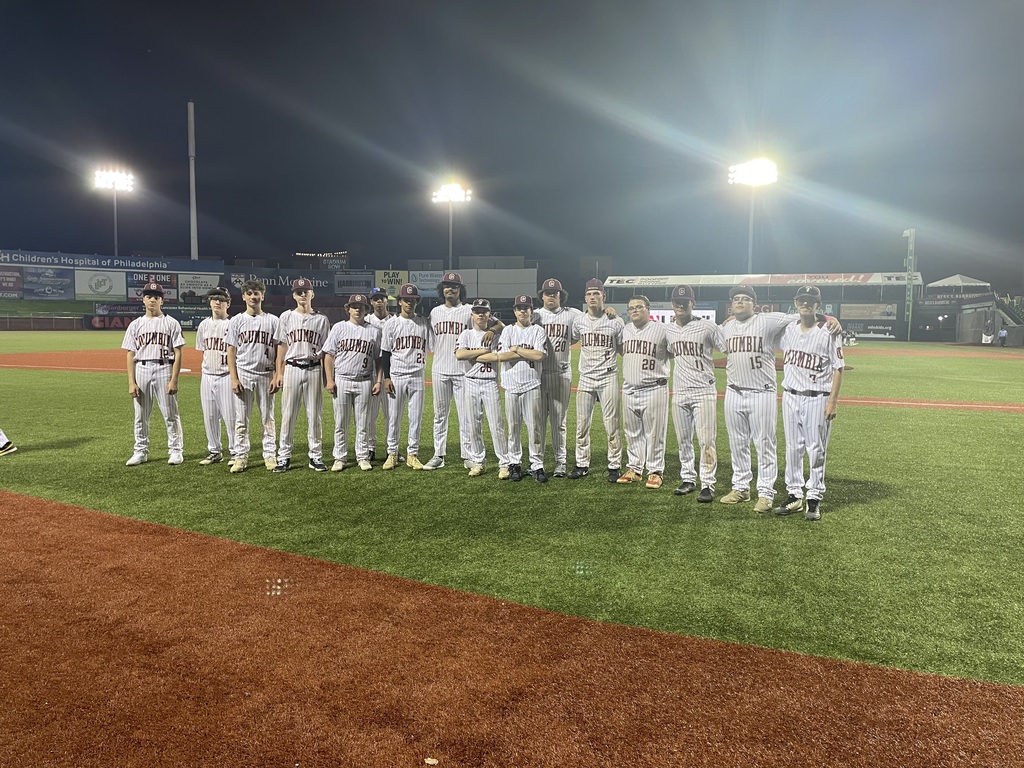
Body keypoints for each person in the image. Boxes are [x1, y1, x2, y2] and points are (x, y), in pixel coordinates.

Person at [721, 284, 839, 512]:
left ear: (754, 304)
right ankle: (741, 487)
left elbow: (805, 313)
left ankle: (766, 493)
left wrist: (829, 317)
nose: (740, 302)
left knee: (765, 443)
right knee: (737, 443)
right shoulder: (725, 328)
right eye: (736, 298)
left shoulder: (768, 320)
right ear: (731, 304)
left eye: (746, 298)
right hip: (733, 391)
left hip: (761, 392)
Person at [776, 286, 845, 521]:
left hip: (818, 397)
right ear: (796, 302)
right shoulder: (788, 329)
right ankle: (794, 494)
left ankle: (814, 497)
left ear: (818, 305)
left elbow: (838, 368)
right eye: (802, 300)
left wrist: (832, 403)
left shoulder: (829, 330)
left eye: (810, 301)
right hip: (790, 395)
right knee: (793, 448)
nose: (805, 304)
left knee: (816, 449)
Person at [665, 284, 726, 502]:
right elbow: (670, 353)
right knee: (683, 440)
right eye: (677, 302)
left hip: (703, 391)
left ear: (693, 303)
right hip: (680, 392)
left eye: (685, 301)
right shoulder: (669, 329)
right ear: (672, 304)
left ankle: (708, 483)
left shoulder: (708, 326)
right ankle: (688, 478)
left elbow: (728, 347)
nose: (680, 305)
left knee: (706, 440)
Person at [481, 294, 548, 482]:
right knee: (513, 427)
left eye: (526, 308)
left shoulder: (538, 330)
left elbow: (539, 356)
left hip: (532, 383)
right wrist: (525, 353)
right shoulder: (508, 330)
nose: (523, 311)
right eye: (519, 308)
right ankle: (514, 463)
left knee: (535, 427)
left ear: (531, 311)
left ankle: (537, 465)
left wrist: (517, 350)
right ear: (515, 311)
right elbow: (502, 356)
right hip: (511, 384)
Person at [121, 282, 185, 466]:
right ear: (143, 300)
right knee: (140, 414)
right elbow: (130, 354)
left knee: (171, 413)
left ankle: (176, 451)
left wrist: (174, 379)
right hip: (141, 368)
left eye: (156, 297)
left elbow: (178, 352)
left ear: (162, 301)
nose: (152, 300)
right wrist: (131, 382)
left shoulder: (171, 323)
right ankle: (140, 451)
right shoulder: (135, 325)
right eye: (149, 296)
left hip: (164, 367)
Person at [226, 280, 286, 473]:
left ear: (263, 296)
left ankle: (269, 455)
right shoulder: (236, 320)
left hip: (266, 374)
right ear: (243, 296)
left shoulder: (273, 320)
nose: (253, 296)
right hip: (244, 373)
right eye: (249, 293)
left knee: (267, 418)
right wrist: (234, 378)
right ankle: (240, 456)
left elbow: (280, 349)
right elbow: (231, 351)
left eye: (257, 293)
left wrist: (278, 374)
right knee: (241, 419)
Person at [274, 277, 331, 473]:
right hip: (291, 368)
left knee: (315, 415)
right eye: (299, 292)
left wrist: (326, 377)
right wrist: (278, 373)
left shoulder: (322, 319)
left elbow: (325, 351)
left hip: (314, 367)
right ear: (293, 295)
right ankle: (284, 456)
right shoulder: (286, 317)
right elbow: (281, 347)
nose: (303, 294)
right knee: (288, 415)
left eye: (306, 291)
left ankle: (315, 456)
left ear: (312, 294)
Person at [570, 278, 624, 482]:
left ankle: (614, 465)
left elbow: (621, 348)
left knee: (612, 424)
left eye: (597, 293)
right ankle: (582, 464)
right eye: (589, 294)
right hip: (585, 378)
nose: (593, 297)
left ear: (604, 296)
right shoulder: (579, 320)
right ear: (585, 298)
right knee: (582, 424)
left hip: (608, 376)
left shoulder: (615, 321)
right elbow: (574, 338)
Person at [324, 293, 383, 472]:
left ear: (366, 310)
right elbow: (328, 355)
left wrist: (379, 381)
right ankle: (339, 457)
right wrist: (329, 379)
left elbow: (379, 359)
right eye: (354, 306)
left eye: (361, 307)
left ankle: (362, 456)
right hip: (342, 379)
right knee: (341, 422)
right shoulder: (339, 328)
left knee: (363, 422)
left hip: (365, 380)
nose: (358, 309)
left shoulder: (374, 330)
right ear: (348, 308)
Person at [616, 295, 670, 488]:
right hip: (630, 388)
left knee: (655, 433)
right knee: (632, 432)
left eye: (639, 307)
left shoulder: (662, 330)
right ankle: (635, 469)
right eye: (631, 308)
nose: (635, 310)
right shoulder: (626, 330)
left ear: (648, 309)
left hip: (654, 387)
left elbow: (673, 351)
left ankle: (655, 471)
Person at [455, 298, 512, 478]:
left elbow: (498, 357)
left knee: (497, 425)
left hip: (489, 381)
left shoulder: (497, 334)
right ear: (471, 314)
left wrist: (493, 331)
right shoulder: (466, 334)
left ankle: (504, 462)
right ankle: (478, 460)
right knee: (473, 425)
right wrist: (483, 352)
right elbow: (460, 354)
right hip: (470, 381)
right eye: (477, 311)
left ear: (490, 314)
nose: (480, 314)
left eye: (484, 311)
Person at [379, 283, 432, 471]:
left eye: (413, 300)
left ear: (416, 302)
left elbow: (433, 346)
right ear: (400, 301)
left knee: (415, 418)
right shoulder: (391, 324)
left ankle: (412, 454)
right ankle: (392, 453)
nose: (409, 303)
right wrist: (386, 377)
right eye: (406, 300)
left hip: (417, 375)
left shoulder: (424, 323)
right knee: (394, 417)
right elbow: (385, 353)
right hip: (397, 375)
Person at [534, 278, 583, 477]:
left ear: (560, 295)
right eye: (548, 293)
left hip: (561, 374)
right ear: (542, 296)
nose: (551, 296)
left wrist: (608, 312)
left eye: (555, 293)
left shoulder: (572, 314)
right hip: (537, 375)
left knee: (558, 421)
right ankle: (536, 462)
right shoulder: (535, 315)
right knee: (537, 421)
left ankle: (560, 461)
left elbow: (591, 321)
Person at [426, 272, 474, 470]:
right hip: (440, 369)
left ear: (460, 289)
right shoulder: (434, 312)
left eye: (454, 286)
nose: (450, 289)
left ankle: (468, 455)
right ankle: (438, 454)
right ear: (442, 289)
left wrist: (492, 330)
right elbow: (431, 341)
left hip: (463, 370)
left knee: (466, 415)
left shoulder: (470, 310)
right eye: (446, 286)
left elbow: (488, 325)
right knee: (439, 415)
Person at [195, 287, 235, 465]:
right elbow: (203, 349)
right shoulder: (204, 325)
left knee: (231, 417)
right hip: (207, 375)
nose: (217, 302)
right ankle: (214, 451)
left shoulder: (233, 324)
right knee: (209, 416)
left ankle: (236, 452)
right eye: (214, 299)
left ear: (228, 303)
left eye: (221, 299)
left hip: (226, 375)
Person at [366, 286, 394, 460]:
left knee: (391, 414)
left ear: (386, 300)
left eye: (381, 298)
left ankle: (392, 448)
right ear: (371, 302)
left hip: (391, 373)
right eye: (375, 298)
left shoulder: (395, 320)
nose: (378, 301)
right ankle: (370, 447)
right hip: (371, 374)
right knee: (371, 414)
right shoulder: (366, 320)